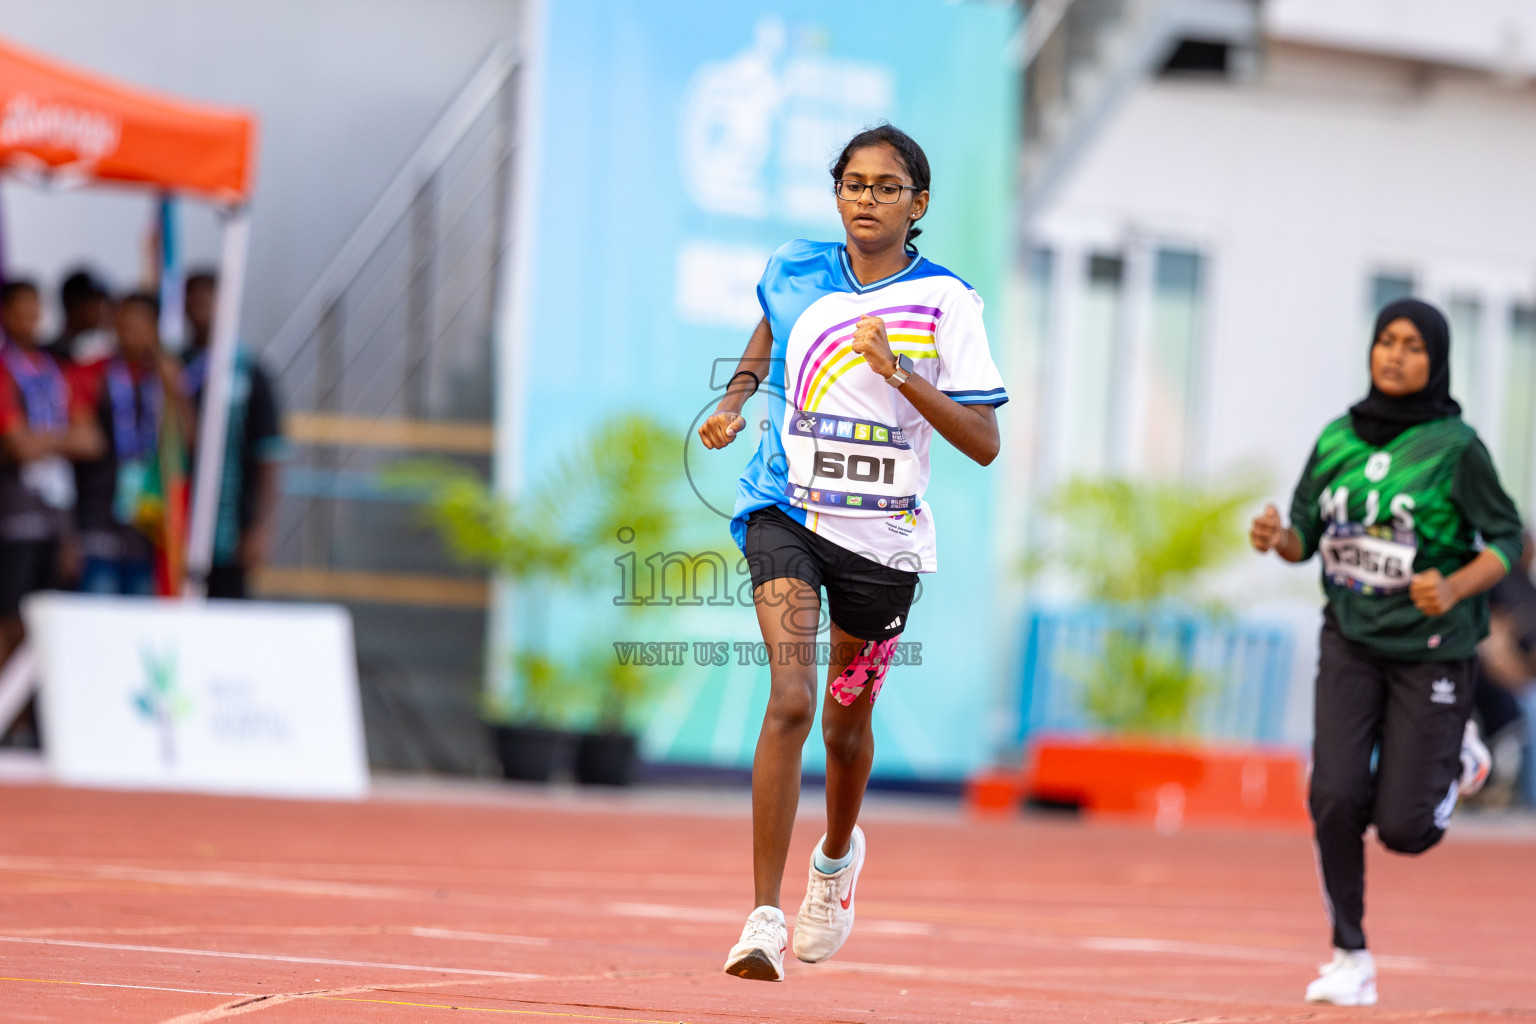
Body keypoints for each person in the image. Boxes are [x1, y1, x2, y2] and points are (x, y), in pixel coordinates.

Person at [699, 125, 1006, 982]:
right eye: (852, 184)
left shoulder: (949, 303)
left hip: (882, 542)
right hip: (784, 511)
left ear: (920, 203)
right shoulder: (796, 268)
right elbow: (767, 337)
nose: (865, 199)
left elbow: (983, 441)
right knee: (790, 697)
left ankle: (833, 863)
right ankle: (761, 917)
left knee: (844, 725)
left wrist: (901, 372)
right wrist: (733, 400)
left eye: (885, 186)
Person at [1250, 298, 1522, 1006]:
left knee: (1404, 830)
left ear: (1436, 361)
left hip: (1432, 650)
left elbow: (1506, 540)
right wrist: (1274, 535)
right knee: (1334, 796)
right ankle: (1350, 955)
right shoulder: (1338, 437)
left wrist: (1456, 583)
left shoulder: (1455, 447)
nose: (1396, 355)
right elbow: (1303, 537)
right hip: (1350, 641)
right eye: (1386, 341)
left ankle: (1459, 751)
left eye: (1413, 346)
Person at [0, 279, 103, 662]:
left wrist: (41, 440)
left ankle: (30, 717)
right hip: (13, 515)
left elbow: (91, 440)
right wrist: (62, 439)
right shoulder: (4, 368)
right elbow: (20, 446)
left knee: (46, 618)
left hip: (58, 515)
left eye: (34, 310)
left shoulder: (56, 368)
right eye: (19, 311)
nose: (29, 320)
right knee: (10, 618)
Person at [70, 293, 188, 596]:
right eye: (123, 322)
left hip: (149, 523)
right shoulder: (91, 371)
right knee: (98, 610)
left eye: (139, 322)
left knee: (139, 617)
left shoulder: (166, 376)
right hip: (98, 514)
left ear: (155, 328)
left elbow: (188, 438)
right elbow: (83, 436)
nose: (130, 330)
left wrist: (174, 390)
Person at [181, 270, 286, 598]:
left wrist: (260, 529)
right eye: (193, 300)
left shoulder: (250, 369)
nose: (201, 308)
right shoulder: (175, 367)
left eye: (208, 300)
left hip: (230, 530)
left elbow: (268, 456)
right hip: (175, 525)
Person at [43, 268, 112, 368]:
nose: (102, 310)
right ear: (74, 304)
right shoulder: (45, 358)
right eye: (97, 302)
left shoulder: (97, 356)